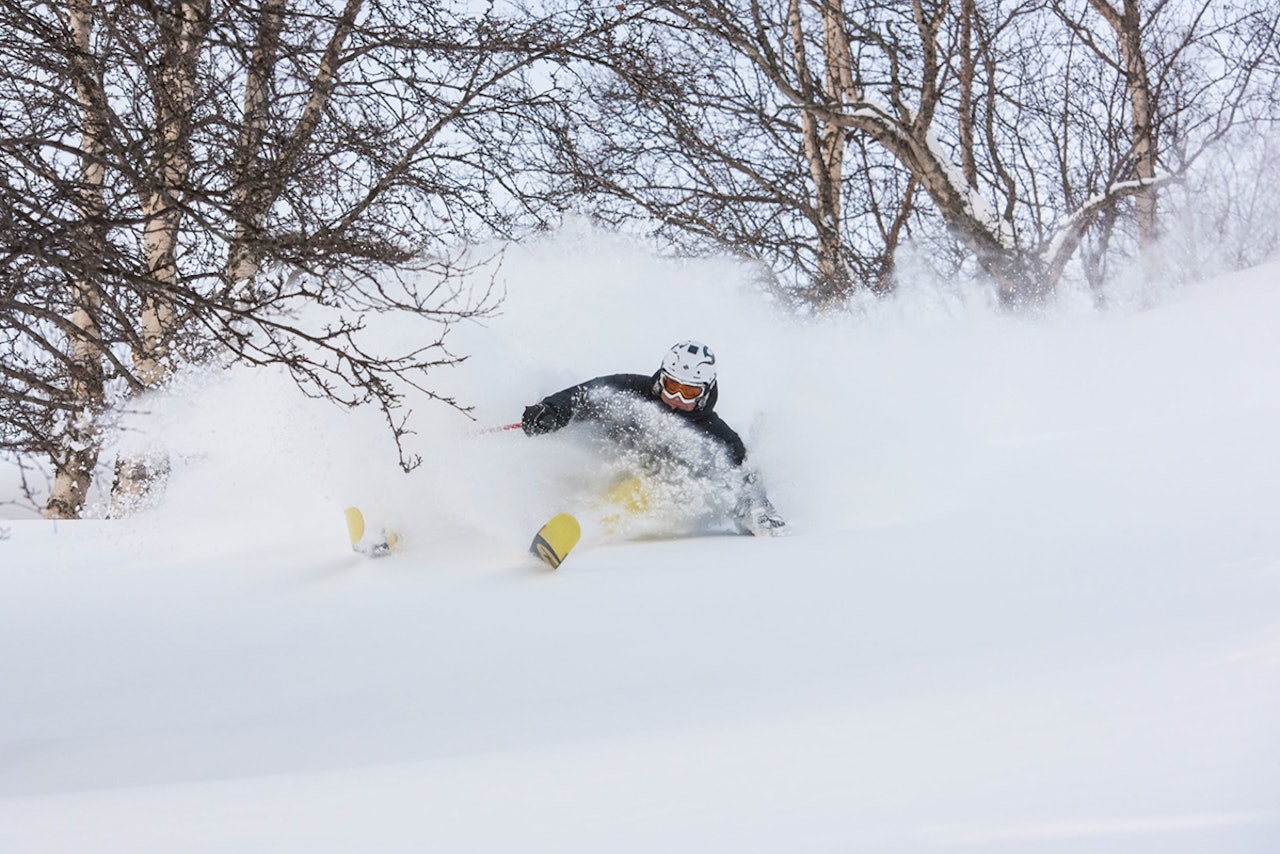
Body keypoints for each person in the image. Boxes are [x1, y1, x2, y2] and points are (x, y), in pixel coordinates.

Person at [521, 340, 786, 536]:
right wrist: (551, 411)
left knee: (636, 491)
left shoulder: (718, 436)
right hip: (606, 461)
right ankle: (540, 521)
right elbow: (586, 394)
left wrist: (762, 514)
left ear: (704, 393)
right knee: (571, 467)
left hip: (652, 490)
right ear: (661, 378)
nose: (676, 399)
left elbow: (744, 476)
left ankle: (580, 530)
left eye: (688, 392)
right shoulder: (632, 391)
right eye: (672, 386)